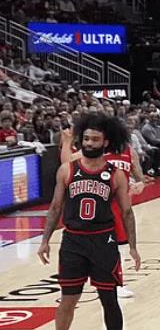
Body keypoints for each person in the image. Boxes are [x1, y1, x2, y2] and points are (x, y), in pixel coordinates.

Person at [37, 113, 141, 330]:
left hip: (103, 240)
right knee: (68, 299)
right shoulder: (67, 169)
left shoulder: (115, 174)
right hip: (73, 241)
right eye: (86, 139)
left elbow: (127, 212)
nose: (90, 143)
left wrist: (132, 246)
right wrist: (45, 240)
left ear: (105, 142)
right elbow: (55, 207)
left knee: (109, 299)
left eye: (95, 139)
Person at [59, 122, 147, 299]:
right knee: (97, 246)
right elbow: (67, 163)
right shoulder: (95, 152)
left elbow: (139, 174)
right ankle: (82, 283)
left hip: (120, 204)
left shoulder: (128, 151)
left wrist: (140, 184)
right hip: (99, 204)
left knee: (120, 245)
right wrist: (67, 143)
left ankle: (117, 284)